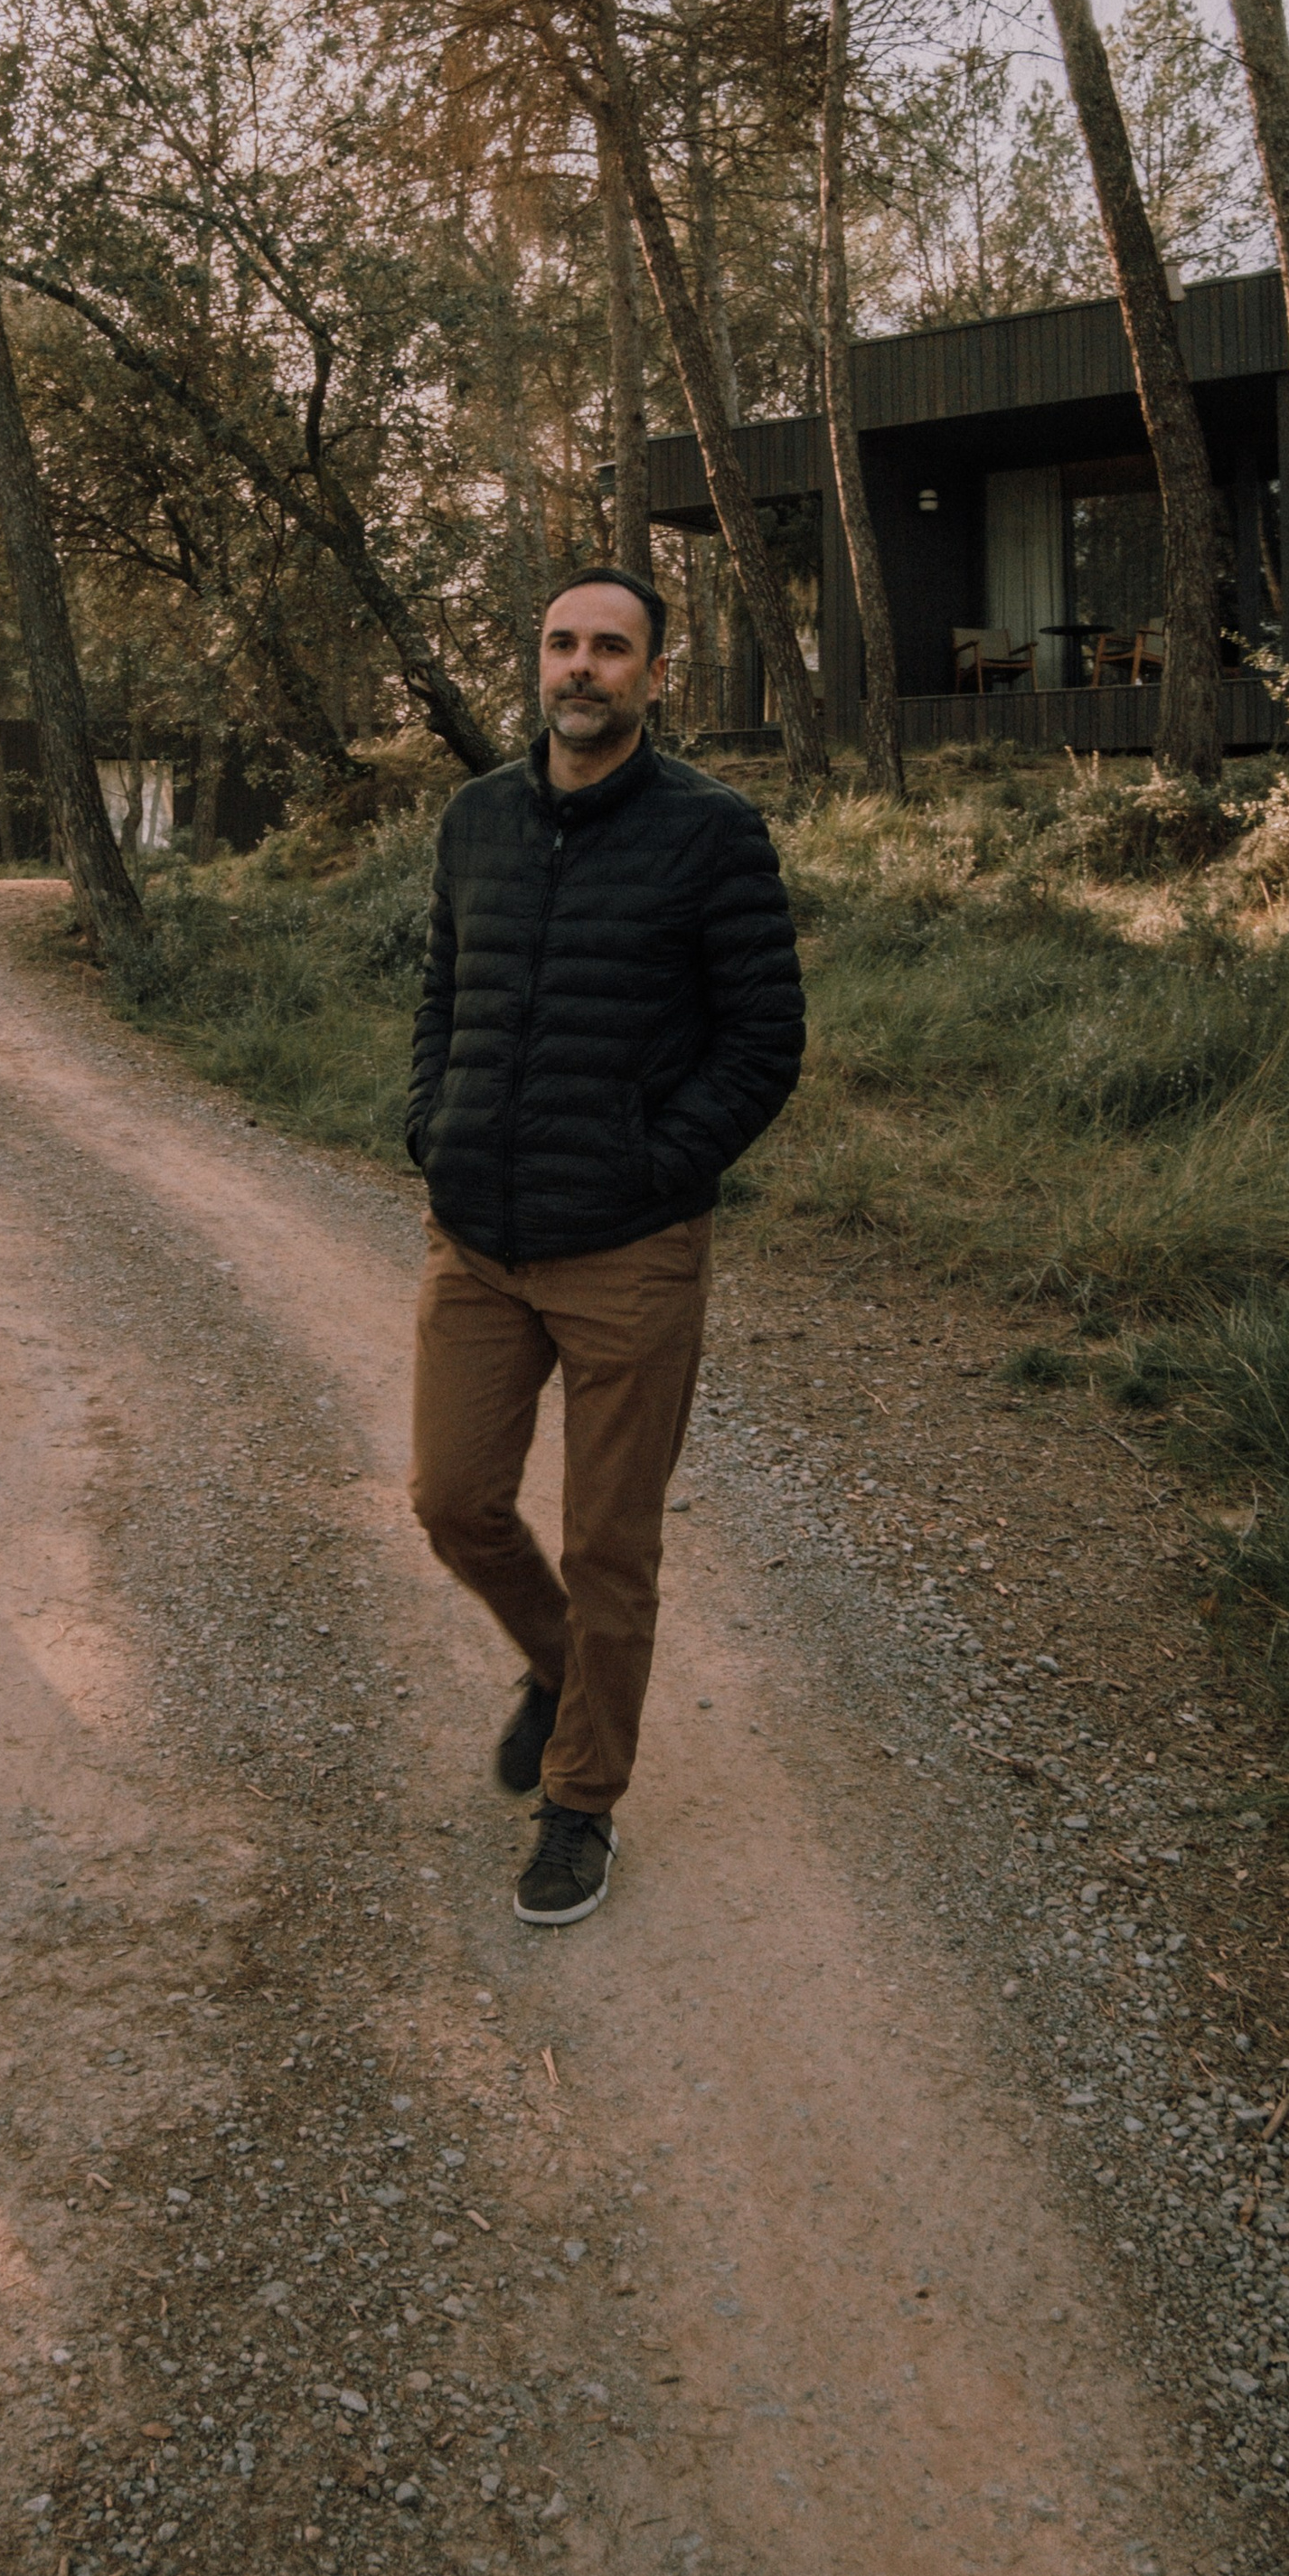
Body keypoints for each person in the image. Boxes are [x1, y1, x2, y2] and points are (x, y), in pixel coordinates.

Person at [405, 569, 805, 1926]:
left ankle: (580, 1806)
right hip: (477, 1239)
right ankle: (559, 1666)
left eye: (611, 650)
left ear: (651, 674)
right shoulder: (476, 819)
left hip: (629, 1250)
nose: (582, 668)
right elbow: (443, 990)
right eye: (563, 641)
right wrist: (433, 1126)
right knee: (453, 1498)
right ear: (540, 656)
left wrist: (653, 1164)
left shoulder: (712, 833)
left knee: (610, 1545)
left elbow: (763, 1047)